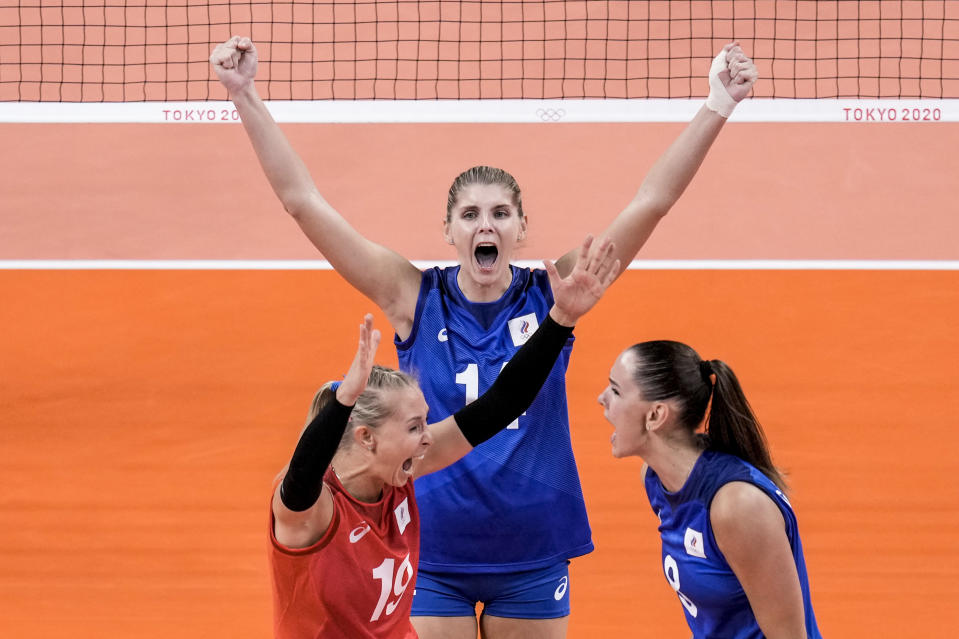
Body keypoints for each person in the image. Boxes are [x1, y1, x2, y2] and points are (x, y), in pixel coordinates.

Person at [211, 36, 757, 638]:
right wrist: (245, 96)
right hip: (434, 546)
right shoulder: (411, 296)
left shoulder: (556, 291)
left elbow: (651, 203)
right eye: (470, 215)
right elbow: (303, 204)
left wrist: (717, 105)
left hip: (533, 543)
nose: (485, 224)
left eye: (500, 213)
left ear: (522, 228)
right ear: (448, 230)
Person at [269, 236, 618, 638]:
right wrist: (344, 400)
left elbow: (501, 403)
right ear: (367, 438)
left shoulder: (400, 480)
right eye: (414, 427)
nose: (427, 438)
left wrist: (560, 320)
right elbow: (299, 481)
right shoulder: (315, 510)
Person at [597, 341, 823, 638]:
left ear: (655, 415)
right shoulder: (656, 479)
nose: (601, 398)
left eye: (615, 390)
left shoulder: (737, 506)